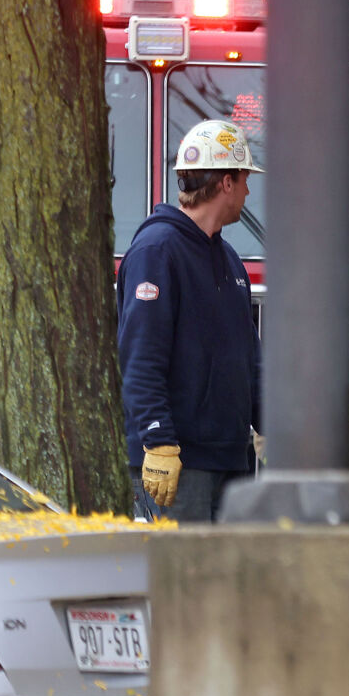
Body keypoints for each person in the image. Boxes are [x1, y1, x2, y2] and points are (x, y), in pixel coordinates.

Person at [117, 118, 262, 522]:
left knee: (227, 582)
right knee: (187, 581)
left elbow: (248, 358)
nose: (249, 190)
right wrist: (157, 439)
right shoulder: (157, 251)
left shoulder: (229, 260)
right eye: (245, 179)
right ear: (227, 182)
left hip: (229, 457)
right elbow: (140, 358)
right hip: (179, 460)